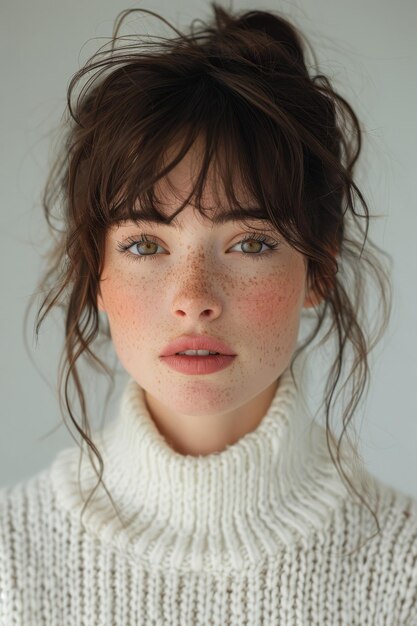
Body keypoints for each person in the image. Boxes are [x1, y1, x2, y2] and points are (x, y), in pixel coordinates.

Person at [1, 4, 416, 625]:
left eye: (251, 243)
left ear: (319, 270)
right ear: (93, 272)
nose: (194, 297)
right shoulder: (12, 563)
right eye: (145, 244)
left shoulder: (402, 571)